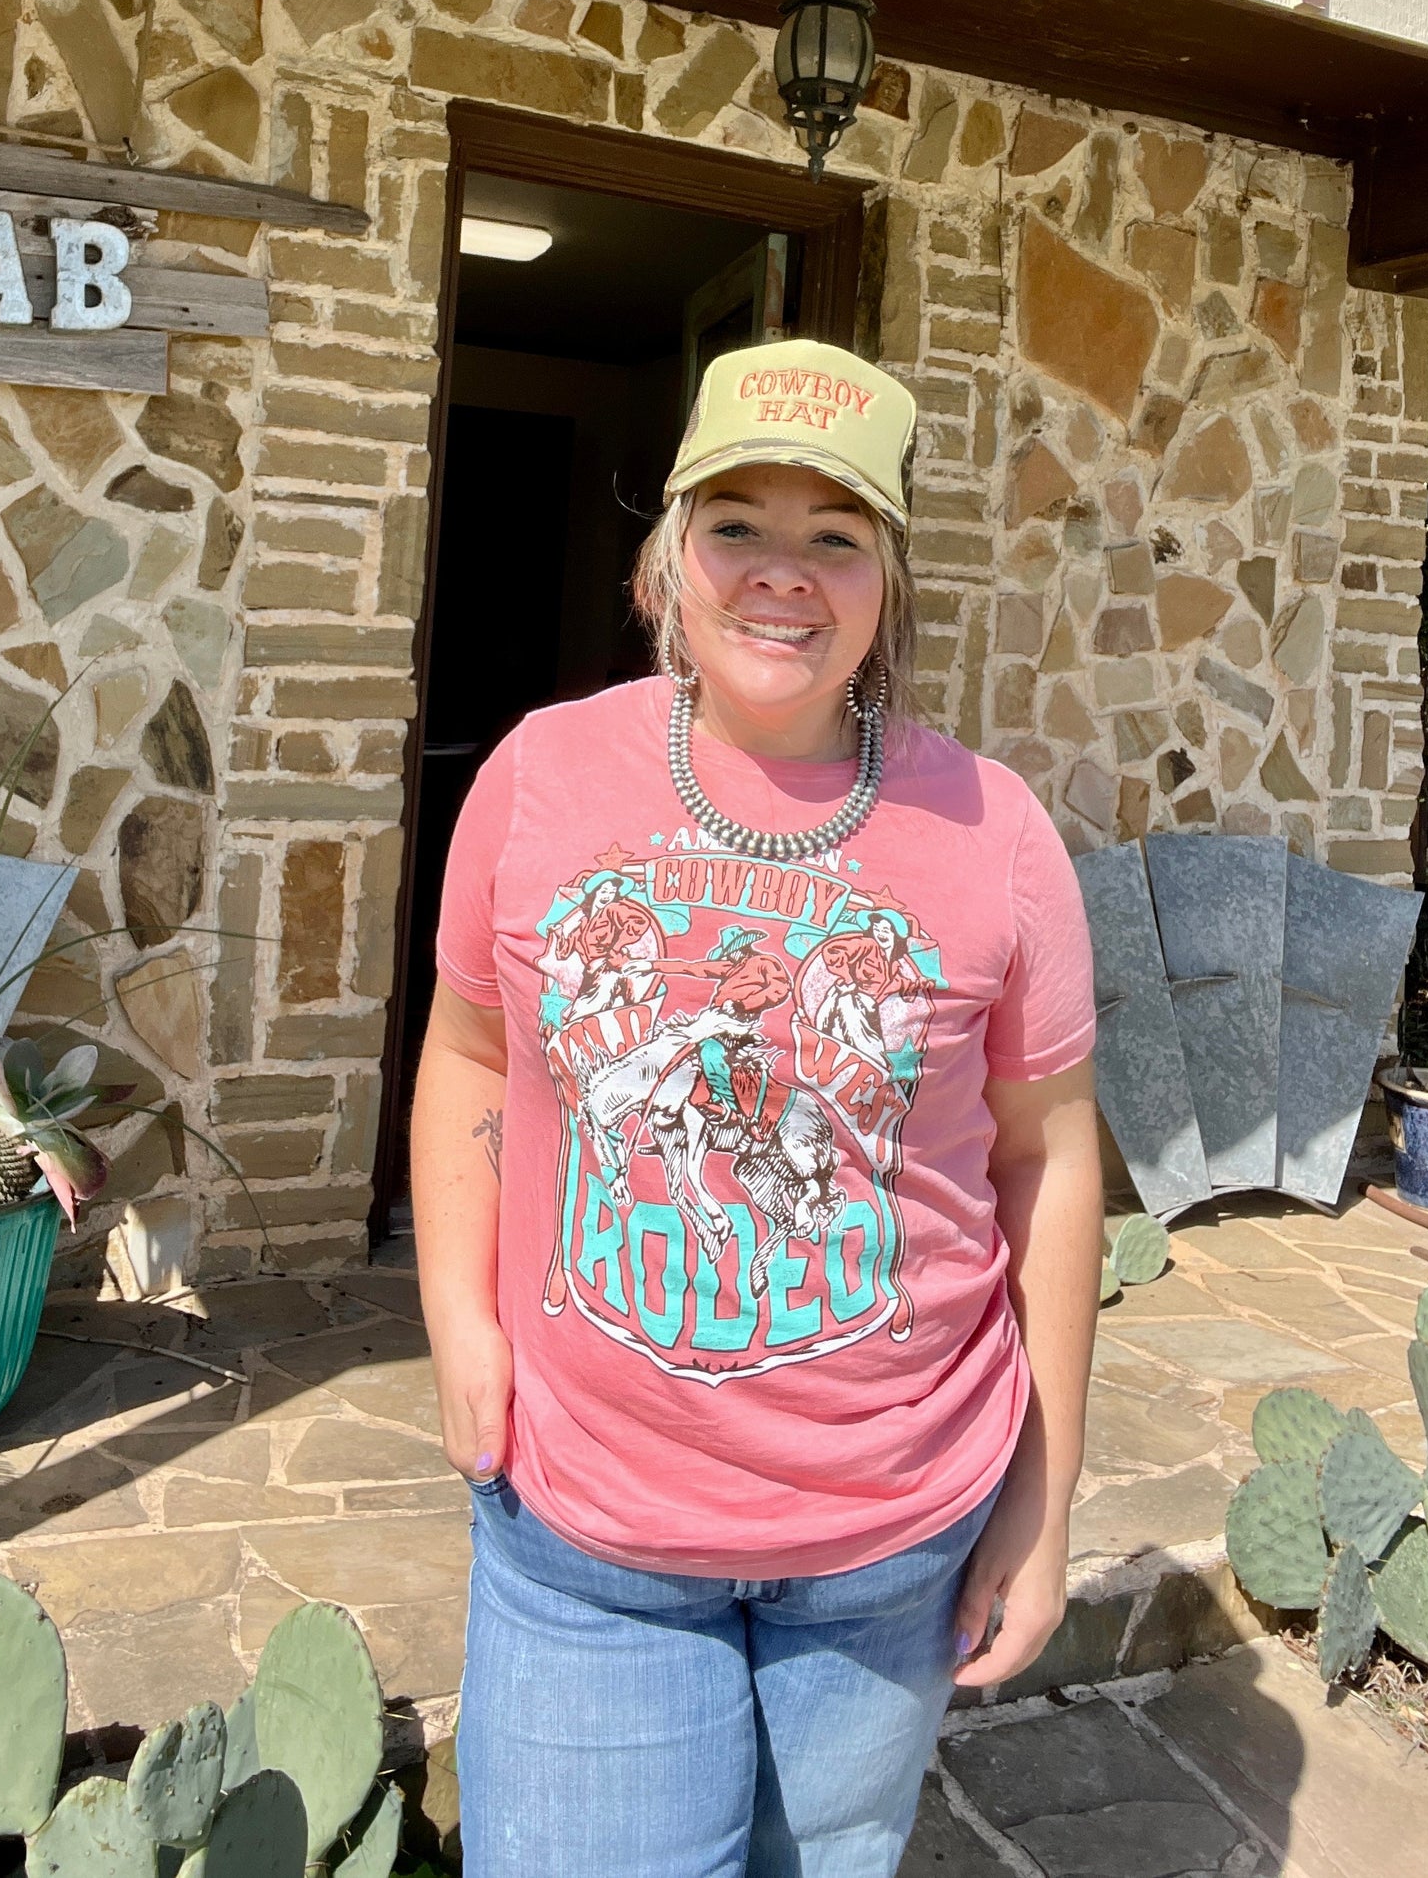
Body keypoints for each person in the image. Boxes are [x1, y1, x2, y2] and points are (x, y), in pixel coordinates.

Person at [412, 335, 1102, 1878]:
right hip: (591, 1535)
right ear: (667, 561)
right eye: (736, 524)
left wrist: (1046, 1499)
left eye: (834, 535)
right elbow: (469, 1053)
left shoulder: (994, 831)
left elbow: (1048, 1158)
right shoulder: (538, 776)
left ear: (888, 582)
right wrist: (460, 1323)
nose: (782, 571)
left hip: (894, 1543)